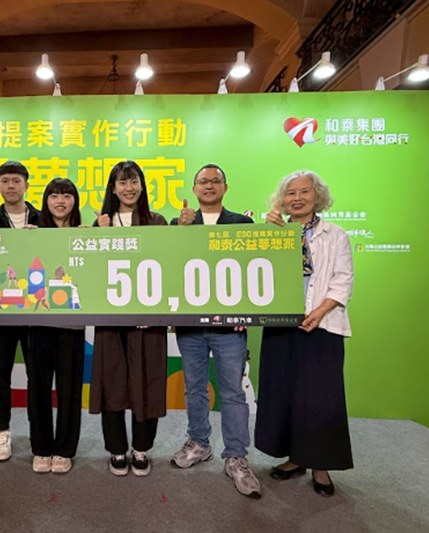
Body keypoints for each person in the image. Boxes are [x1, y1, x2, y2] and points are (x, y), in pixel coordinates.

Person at [256, 170, 354, 497]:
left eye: (304, 192)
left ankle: (320, 466)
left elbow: (343, 280)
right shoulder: (274, 233)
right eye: (290, 193)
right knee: (283, 394)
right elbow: (256, 274)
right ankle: (295, 457)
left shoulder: (335, 235)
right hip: (280, 325)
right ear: (282, 201)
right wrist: (267, 236)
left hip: (322, 326)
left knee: (320, 398)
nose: (297, 198)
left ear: (317, 196)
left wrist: (320, 310)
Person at [170, 164, 262, 498]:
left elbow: (253, 270)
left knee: (232, 392)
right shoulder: (179, 224)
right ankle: (199, 442)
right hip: (190, 324)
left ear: (225, 187)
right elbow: (169, 265)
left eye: (215, 181)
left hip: (229, 326)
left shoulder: (242, 224)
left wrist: (246, 312)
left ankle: (236, 456)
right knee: (194, 388)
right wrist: (178, 233)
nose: (209, 185)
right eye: (203, 181)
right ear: (194, 189)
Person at [90, 160, 168, 477]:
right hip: (110, 319)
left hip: (147, 320)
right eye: (122, 182)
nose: (129, 187)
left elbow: (169, 266)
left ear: (142, 185)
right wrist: (100, 236)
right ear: (113, 188)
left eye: (134, 180)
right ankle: (117, 449)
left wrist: (156, 312)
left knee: (146, 381)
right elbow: (90, 270)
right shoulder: (101, 224)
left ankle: (141, 448)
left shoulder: (156, 221)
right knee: (112, 383)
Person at [0, 160, 41, 461]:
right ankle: (1, 431)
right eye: (5, 181)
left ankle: (40, 431)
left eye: (16, 180)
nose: (11, 185)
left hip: (37, 313)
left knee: (37, 374)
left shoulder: (44, 221)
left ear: (27, 185)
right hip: (2, 312)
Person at [26, 178, 86, 474]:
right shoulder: (32, 233)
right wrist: (22, 244)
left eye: (66, 195)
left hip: (72, 326)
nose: (60, 201)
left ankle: (64, 449)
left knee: (69, 388)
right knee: (38, 386)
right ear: (45, 201)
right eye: (54, 195)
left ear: (75, 201)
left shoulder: (86, 234)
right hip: (37, 322)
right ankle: (41, 448)